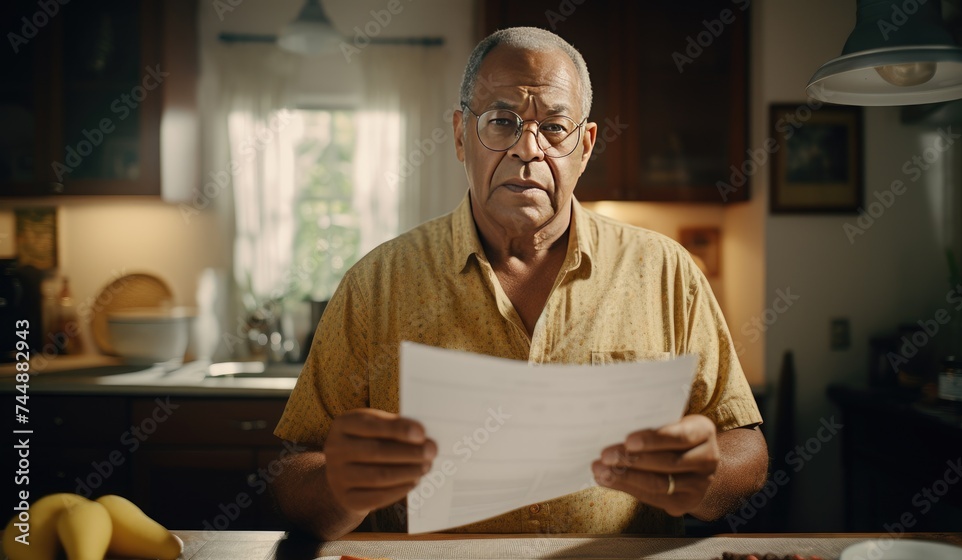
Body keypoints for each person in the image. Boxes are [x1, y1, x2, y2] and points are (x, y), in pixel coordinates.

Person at [271, 26, 767, 539]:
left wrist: (707, 478)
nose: (528, 149)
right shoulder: (375, 284)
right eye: (502, 122)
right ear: (461, 135)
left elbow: (746, 448)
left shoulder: (667, 273)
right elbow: (290, 472)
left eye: (554, 128)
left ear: (585, 146)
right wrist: (336, 487)